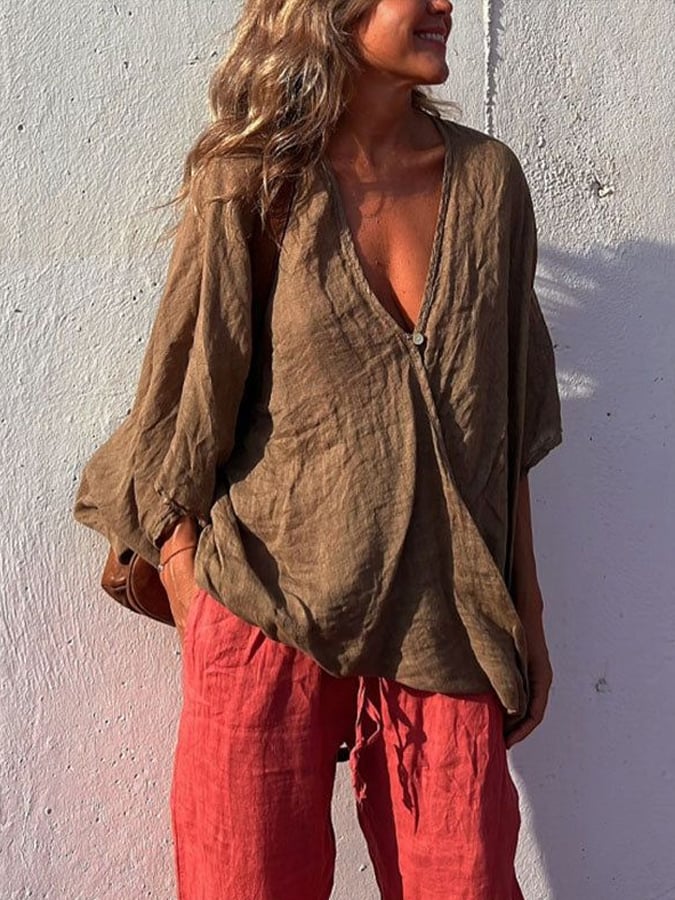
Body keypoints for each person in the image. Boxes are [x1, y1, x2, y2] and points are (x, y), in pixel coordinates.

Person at [73, 0, 564, 897]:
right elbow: (181, 408)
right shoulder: (253, 181)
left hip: (447, 620)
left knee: (464, 877)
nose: (446, 5)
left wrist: (525, 611)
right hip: (265, 609)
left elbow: (506, 423)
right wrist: (190, 590)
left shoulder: (489, 183)